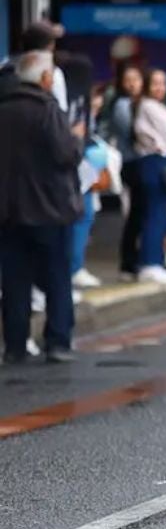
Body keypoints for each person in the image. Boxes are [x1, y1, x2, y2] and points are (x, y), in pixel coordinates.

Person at [0, 50, 85, 363]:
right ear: (45, 78)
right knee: (57, 277)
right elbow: (65, 154)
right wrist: (76, 140)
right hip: (48, 208)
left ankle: (15, 345)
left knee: (14, 280)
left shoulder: (3, 109)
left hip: (8, 209)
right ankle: (58, 341)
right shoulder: (47, 109)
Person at [133, 70, 166, 285]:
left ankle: (156, 260)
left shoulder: (155, 106)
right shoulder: (149, 106)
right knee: (155, 214)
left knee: (161, 214)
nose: (160, 87)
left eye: (163, 83)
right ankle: (150, 263)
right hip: (154, 163)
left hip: (160, 161)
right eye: (155, 83)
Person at [110, 65, 145, 279]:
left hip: (140, 161)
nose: (132, 84)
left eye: (136, 78)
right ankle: (128, 262)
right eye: (128, 80)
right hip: (132, 162)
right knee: (136, 213)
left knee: (141, 212)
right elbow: (133, 131)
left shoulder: (144, 103)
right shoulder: (122, 105)